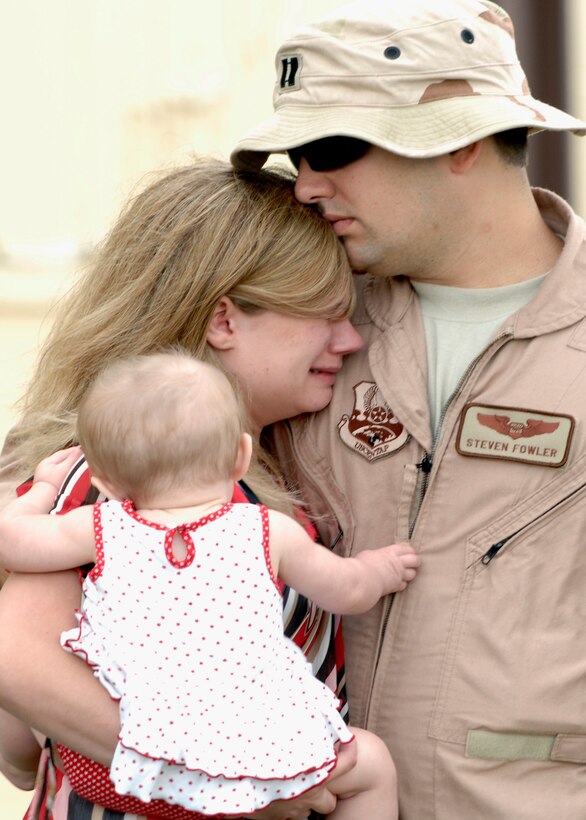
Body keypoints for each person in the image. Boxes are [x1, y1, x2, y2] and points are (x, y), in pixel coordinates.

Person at [229, 0, 586, 818]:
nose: (306, 185)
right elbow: (100, 465)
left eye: (332, 148)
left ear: (459, 140)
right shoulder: (292, 318)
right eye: (295, 153)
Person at [0, 157, 368, 820]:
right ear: (224, 319)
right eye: (325, 313)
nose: (350, 338)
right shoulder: (122, 475)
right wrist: (245, 785)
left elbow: (20, 751)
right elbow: (18, 663)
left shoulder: (226, 470)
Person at [0, 350, 417, 818]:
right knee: (372, 765)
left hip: (125, 772)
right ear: (242, 456)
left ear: (109, 484)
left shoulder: (102, 525)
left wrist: (40, 489)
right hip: (257, 766)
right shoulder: (265, 530)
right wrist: (381, 568)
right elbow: (348, 590)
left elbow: (11, 542)